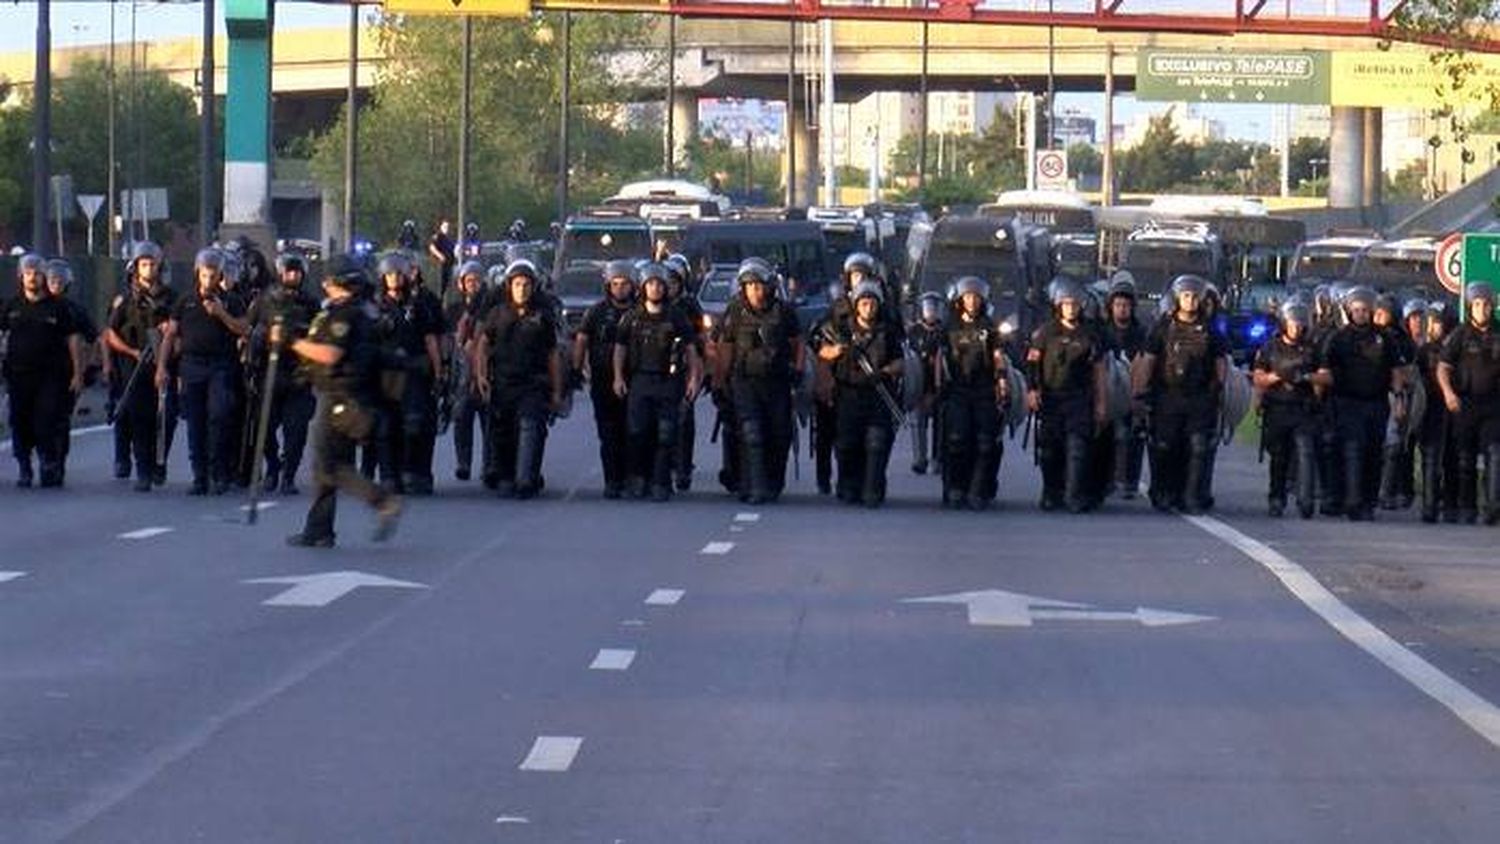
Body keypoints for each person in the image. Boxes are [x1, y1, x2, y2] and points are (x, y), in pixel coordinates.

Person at [282, 255, 402, 548]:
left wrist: (292, 342)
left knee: (330, 466)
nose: (324, 285)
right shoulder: (363, 310)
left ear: (339, 283)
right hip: (353, 395)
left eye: (328, 280)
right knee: (328, 464)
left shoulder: (346, 314)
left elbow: (331, 354)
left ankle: (382, 500)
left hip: (340, 396)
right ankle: (319, 530)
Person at [155, 248, 249, 495]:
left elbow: (244, 328)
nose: (209, 281)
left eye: (214, 275)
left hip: (221, 366)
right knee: (195, 422)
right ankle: (200, 476)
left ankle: (220, 472)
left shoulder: (230, 301)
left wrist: (221, 314)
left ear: (220, 276)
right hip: (192, 366)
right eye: (205, 275)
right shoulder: (185, 301)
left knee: (219, 415)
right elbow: (170, 335)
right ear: (198, 274)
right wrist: (162, 367)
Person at [714, 257, 804, 504]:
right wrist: (719, 382)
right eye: (749, 285)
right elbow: (724, 347)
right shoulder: (734, 311)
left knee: (778, 434)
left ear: (769, 286)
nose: (755, 290)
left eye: (759, 284)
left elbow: (798, 345)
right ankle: (753, 486)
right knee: (751, 433)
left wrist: (798, 371)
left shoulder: (784, 311)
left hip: (777, 383)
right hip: (744, 382)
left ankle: (773, 481)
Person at [1317, 285, 1410, 521]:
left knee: (1373, 452)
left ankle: (1368, 500)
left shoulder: (1385, 338)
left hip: (1377, 402)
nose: (1361, 314)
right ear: (1349, 311)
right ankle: (1352, 500)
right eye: (1356, 309)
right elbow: (1324, 371)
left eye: (1365, 309)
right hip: (1347, 402)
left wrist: (1399, 399)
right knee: (1352, 449)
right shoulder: (1338, 338)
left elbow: (1396, 370)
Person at [474, 259, 565, 499]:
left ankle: (527, 477)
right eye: (517, 284)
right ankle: (506, 474)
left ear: (533, 287)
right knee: (502, 430)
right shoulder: (497, 314)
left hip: (533, 383)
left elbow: (553, 354)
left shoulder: (543, 316)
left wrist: (557, 390)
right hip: (503, 382)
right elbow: (482, 345)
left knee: (530, 426)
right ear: (509, 286)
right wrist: (481, 375)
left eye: (526, 284)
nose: (521, 289)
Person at [1138, 274, 1229, 514]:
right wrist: (1141, 392)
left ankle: (1192, 495)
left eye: (1194, 297)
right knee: (1165, 446)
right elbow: (1149, 360)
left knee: (1198, 447)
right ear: (1178, 298)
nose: (1190, 301)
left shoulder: (1210, 330)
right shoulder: (1162, 328)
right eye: (1186, 296)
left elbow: (1220, 361)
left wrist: (1220, 388)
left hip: (1199, 398)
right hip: (1167, 397)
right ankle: (1163, 491)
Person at [612, 262, 703, 501]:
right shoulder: (632, 317)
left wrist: (693, 378)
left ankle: (661, 481)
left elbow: (692, 349)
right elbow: (620, 348)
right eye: (650, 284)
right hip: (640, 381)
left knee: (666, 434)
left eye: (659, 284)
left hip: (669, 383)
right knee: (638, 432)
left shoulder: (677, 317)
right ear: (643, 287)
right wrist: (618, 377)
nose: (655, 288)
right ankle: (637, 478)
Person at [819, 279, 904, 507]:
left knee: (876, 442)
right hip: (848, 395)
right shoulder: (842, 331)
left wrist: (885, 372)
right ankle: (848, 485)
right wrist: (838, 350)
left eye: (872, 303)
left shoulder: (887, 332)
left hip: (878, 395)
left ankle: (873, 489)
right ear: (856, 305)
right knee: (847, 444)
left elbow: (901, 362)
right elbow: (822, 351)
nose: (868, 308)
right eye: (864, 303)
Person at [2, 255, 84, 487]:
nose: (32, 278)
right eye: (28, 273)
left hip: (50, 376)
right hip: (18, 375)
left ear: (43, 277)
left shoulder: (58, 307)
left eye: (37, 274)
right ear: (21, 276)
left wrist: (77, 373)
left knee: (46, 419)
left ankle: (49, 461)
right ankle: (24, 466)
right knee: (19, 421)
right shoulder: (12, 306)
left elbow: (73, 339)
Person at [1027, 278, 1107, 513]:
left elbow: (1099, 370)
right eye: (1066, 304)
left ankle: (1074, 495)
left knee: (1077, 448)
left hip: (1080, 399)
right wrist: (1032, 390)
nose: (1070, 308)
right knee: (1050, 450)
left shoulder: (1090, 334)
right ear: (1058, 305)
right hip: (1051, 397)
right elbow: (1033, 362)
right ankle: (1051, 492)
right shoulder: (1044, 332)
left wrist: (1101, 403)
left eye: (1074, 304)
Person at [245, 251, 321, 494]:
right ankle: (273, 467)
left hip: (298, 374)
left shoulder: (310, 303)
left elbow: (319, 335)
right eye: (288, 271)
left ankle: (288, 474)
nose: (292, 276)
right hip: (269, 372)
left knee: (296, 430)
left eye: (296, 272)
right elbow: (249, 329)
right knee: (263, 427)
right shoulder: (265, 300)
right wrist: (261, 342)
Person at [105, 242, 178, 491]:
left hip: (164, 365)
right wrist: (132, 351)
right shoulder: (125, 301)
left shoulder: (172, 299)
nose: (148, 269)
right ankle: (144, 470)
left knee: (167, 417)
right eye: (143, 265)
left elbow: (181, 329)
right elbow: (110, 334)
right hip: (134, 365)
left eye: (152, 264)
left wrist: (170, 333)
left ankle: (160, 461)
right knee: (139, 418)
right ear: (135, 268)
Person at [937, 277, 1010, 510]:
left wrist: (1002, 383)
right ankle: (955, 487)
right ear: (959, 300)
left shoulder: (990, 326)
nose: (972, 301)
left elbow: (998, 356)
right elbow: (938, 358)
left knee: (986, 442)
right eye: (967, 296)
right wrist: (937, 389)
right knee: (957, 440)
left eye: (976, 297)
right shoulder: (948, 326)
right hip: (956, 390)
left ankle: (979, 489)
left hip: (984, 391)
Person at [1437, 282, 1500, 525]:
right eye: (1477, 304)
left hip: (1494, 406)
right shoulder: (1459, 335)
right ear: (1469, 307)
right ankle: (1467, 506)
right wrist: (1448, 393)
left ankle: (1493, 506)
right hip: (1465, 404)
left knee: (1495, 454)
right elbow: (1443, 367)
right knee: (1465, 458)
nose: (1482, 309)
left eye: (1486, 304)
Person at [574, 260, 638, 498]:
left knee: (634, 431)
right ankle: (612, 480)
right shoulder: (596, 312)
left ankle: (633, 477)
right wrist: (576, 369)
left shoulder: (640, 311)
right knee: (609, 433)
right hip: (602, 379)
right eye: (615, 284)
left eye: (625, 284)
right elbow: (581, 339)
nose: (620, 288)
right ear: (608, 286)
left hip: (635, 379)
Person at [1252, 300, 1321, 518]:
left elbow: (1327, 376)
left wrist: (1306, 376)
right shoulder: (1270, 347)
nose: (1297, 327)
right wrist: (1277, 376)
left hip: (1303, 408)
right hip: (1277, 407)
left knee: (1306, 451)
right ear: (1284, 323)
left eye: (1301, 323)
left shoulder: (1312, 349)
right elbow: (1258, 378)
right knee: (1279, 456)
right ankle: (1276, 498)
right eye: (1293, 323)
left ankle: (1306, 499)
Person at [43, 260, 98, 480]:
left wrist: (86, 368)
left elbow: (93, 337)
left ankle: (57, 461)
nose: (56, 284)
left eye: (60, 280)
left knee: (59, 417)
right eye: (52, 280)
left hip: (65, 372)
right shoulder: (35, 305)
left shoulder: (74, 310)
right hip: (37, 371)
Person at [1100, 277, 1146, 499]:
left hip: (1134, 391)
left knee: (1133, 436)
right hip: (1109, 392)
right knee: (1107, 436)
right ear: (1111, 306)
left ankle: (1130, 481)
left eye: (1126, 305)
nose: (1122, 309)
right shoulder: (1102, 332)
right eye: (1118, 305)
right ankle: (1106, 479)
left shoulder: (1141, 334)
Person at [663, 253, 703, 491]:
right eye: (664, 282)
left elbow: (700, 337)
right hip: (655, 369)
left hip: (684, 367)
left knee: (684, 418)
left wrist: (700, 372)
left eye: (673, 282)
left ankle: (683, 467)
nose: (668, 287)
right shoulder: (649, 305)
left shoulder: (689, 306)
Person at [1417, 301, 1459, 523]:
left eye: (1439, 322)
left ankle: (1451, 504)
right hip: (1430, 408)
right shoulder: (1424, 350)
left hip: (1453, 408)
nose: (1435, 327)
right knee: (1430, 457)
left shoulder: (1456, 347)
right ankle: (1429, 504)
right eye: (1432, 322)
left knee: (1453, 457)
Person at [446, 261, 488, 482]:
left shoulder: (491, 307)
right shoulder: (454, 309)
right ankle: (463, 462)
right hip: (461, 373)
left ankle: (489, 465)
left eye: (477, 280)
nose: (473, 284)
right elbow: (451, 341)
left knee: (489, 420)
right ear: (461, 283)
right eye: (469, 280)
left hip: (486, 372)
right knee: (461, 415)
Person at [907, 292, 946, 476]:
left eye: (934, 308)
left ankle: (938, 458)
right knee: (917, 421)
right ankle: (919, 458)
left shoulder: (945, 332)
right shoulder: (913, 332)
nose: (931, 311)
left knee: (941, 422)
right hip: (918, 383)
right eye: (928, 307)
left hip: (940, 385)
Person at [428, 219, 456, 294]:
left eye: (448, 227)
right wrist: (440, 256)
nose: (447, 228)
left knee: (447, 286)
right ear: (441, 227)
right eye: (445, 226)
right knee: (439, 286)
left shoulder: (450, 239)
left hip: (448, 266)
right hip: (438, 267)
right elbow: (432, 247)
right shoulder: (438, 236)